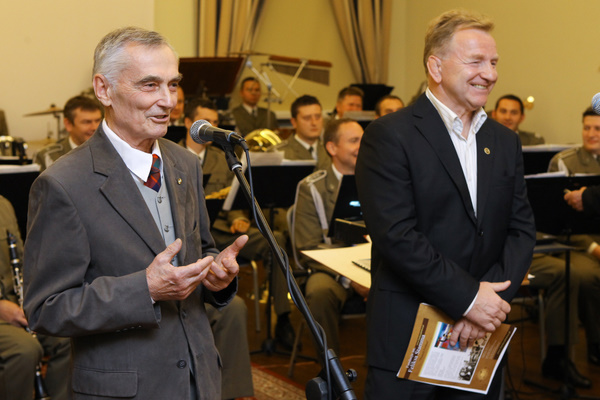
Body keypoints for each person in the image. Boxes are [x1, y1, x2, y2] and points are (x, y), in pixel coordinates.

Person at [23, 27, 248, 400]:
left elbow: (202, 249)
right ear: (104, 90)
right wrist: (145, 289)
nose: (168, 101)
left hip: (199, 380)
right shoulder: (63, 184)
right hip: (126, 388)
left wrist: (215, 274)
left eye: (173, 85)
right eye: (150, 85)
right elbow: (46, 309)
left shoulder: (184, 163)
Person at [355, 10, 536, 399]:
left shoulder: (505, 141)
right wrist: (469, 299)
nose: (490, 74)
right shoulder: (389, 136)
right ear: (435, 67)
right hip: (408, 334)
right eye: (476, 61)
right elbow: (397, 236)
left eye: (493, 62)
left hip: (481, 337)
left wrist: (489, 305)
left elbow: (521, 231)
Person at [492, 96, 590, 385]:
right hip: (494, 248)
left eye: (514, 112)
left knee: (568, 271)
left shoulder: (525, 146)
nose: (508, 117)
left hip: (530, 239)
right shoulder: (486, 145)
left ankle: (559, 358)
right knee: (566, 272)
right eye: (503, 111)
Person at [293, 118, 368, 355]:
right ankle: (331, 369)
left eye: (364, 140)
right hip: (331, 271)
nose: (361, 146)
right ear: (332, 148)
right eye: (354, 140)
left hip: (375, 265)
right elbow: (308, 247)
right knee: (319, 293)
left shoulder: (380, 179)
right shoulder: (311, 187)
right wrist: (351, 278)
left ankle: (388, 369)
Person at [0, 195, 72, 400]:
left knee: (66, 335)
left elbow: (22, 261)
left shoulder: (4, 205)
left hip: (16, 305)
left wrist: (33, 299)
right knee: (23, 350)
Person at [552, 107, 600, 367]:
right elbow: (558, 220)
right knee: (588, 275)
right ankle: (596, 344)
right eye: (586, 127)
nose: (591, 134)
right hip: (576, 243)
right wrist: (593, 248)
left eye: (598, 129)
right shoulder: (564, 162)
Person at [33, 95, 103, 171]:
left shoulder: (108, 150)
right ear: (68, 124)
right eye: (87, 122)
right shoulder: (47, 156)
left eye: (98, 121)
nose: (95, 127)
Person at [271, 95, 331, 171]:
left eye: (318, 117)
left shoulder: (331, 149)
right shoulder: (279, 153)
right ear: (294, 122)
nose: (314, 123)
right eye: (307, 118)